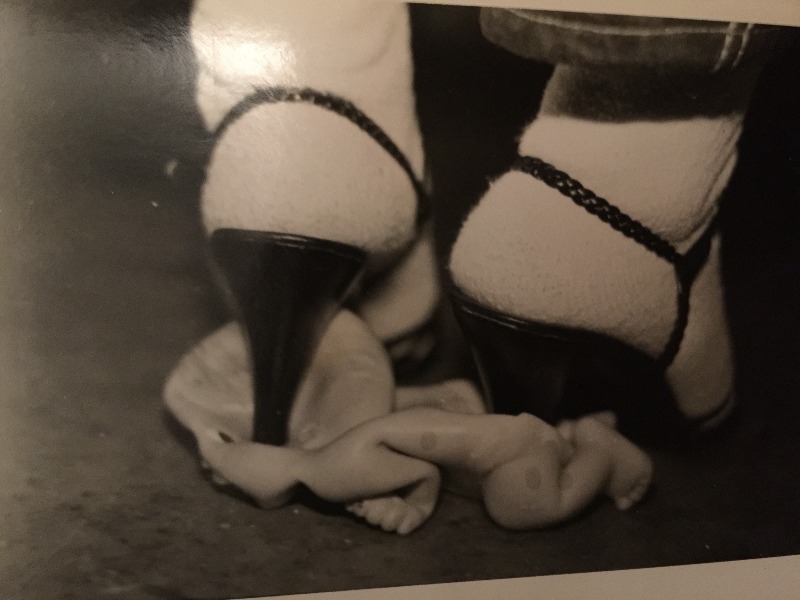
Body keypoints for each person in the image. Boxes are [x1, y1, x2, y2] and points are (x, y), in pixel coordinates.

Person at [166, 0, 791, 530]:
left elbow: (412, 469)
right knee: (518, 497)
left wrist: (397, 493)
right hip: (464, 438)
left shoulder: (327, 463)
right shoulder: (335, 462)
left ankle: (308, 108)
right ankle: (614, 180)